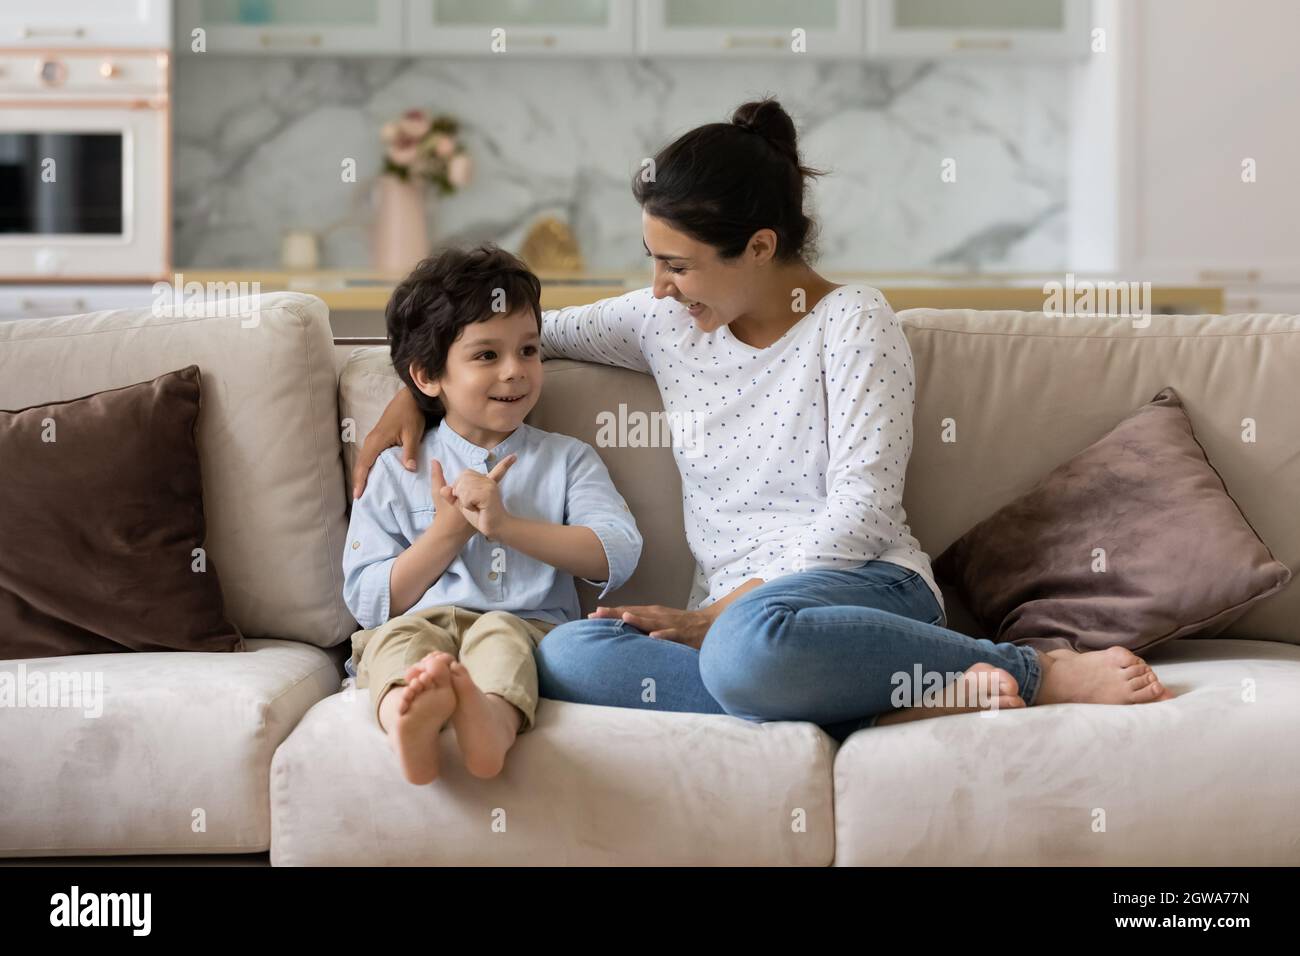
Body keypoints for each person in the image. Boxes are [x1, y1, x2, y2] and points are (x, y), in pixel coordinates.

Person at [353, 99, 1172, 741]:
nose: (660, 288)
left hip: (858, 590)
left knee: (752, 648)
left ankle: (1031, 673)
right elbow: (510, 338)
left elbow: (863, 512)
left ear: (758, 248)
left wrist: (724, 612)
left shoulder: (854, 323)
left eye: (677, 265)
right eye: (653, 263)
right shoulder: (662, 320)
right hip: (739, 626)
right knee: (565, 653)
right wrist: (411, 393)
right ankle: (888, 706)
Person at [342, 245, 642, 784]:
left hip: (525, 626)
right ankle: (408, 720)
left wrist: (506, 527)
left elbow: (615, 552)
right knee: (395, 645)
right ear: (428, 377)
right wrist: (446, 534)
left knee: (500, 638)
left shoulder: (565, 458)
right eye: (486, 356)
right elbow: (368, 601)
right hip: (417, 622)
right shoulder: (396, 470)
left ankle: (487, 730)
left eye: (528, 350)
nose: (515, 372)